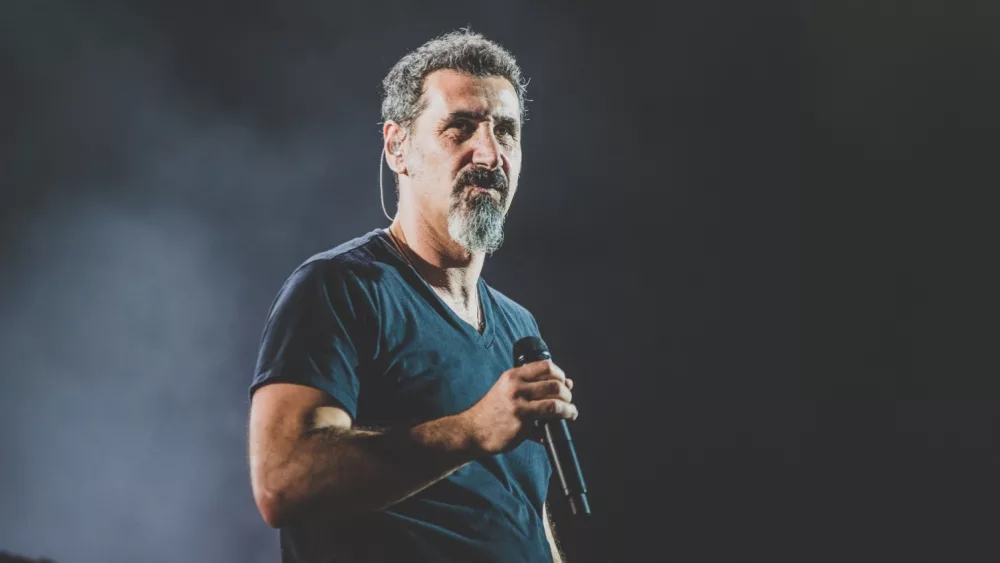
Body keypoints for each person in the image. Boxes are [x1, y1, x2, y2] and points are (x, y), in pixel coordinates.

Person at [247, 29, 579, 563]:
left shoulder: (520, 328)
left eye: (506, 131)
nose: (489, 153)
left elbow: (524, 514)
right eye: (460, 127)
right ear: (397, 147)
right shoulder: (340, 289)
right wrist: (473, 429)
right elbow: (284, 480)